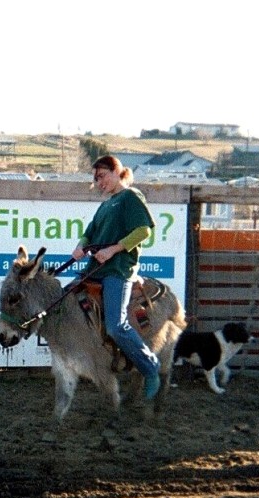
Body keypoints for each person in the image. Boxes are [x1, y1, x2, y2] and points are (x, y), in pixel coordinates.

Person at [72, 155, 161, 400]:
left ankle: (150, 367)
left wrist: (112, 250)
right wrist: (81, 246)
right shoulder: (105, 205)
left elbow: (143, 231)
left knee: (115, 325)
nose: (99, 182)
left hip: (118, 270)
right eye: (96, 178)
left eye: (102, 176)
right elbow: (89, 233)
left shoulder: (131, 197)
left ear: (116, 172)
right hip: (95, 269)